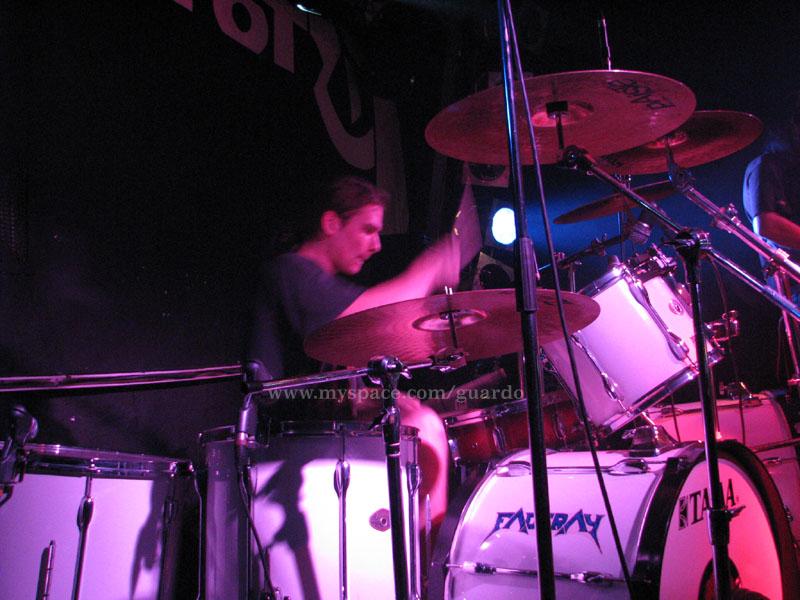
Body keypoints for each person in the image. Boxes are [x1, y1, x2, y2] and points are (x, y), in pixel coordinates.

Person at [245, 175, 461, 528]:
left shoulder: (318, 285)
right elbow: (376, 316)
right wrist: (431, 267)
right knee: (424, 428)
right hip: (279, 449)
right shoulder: (290, 271)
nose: (377, 245)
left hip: (312, 438)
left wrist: (371, 401)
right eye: (368, 230)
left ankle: (416, 555)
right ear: (332, 223)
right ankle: (426, 560)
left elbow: (325, 389)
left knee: (420, 421)